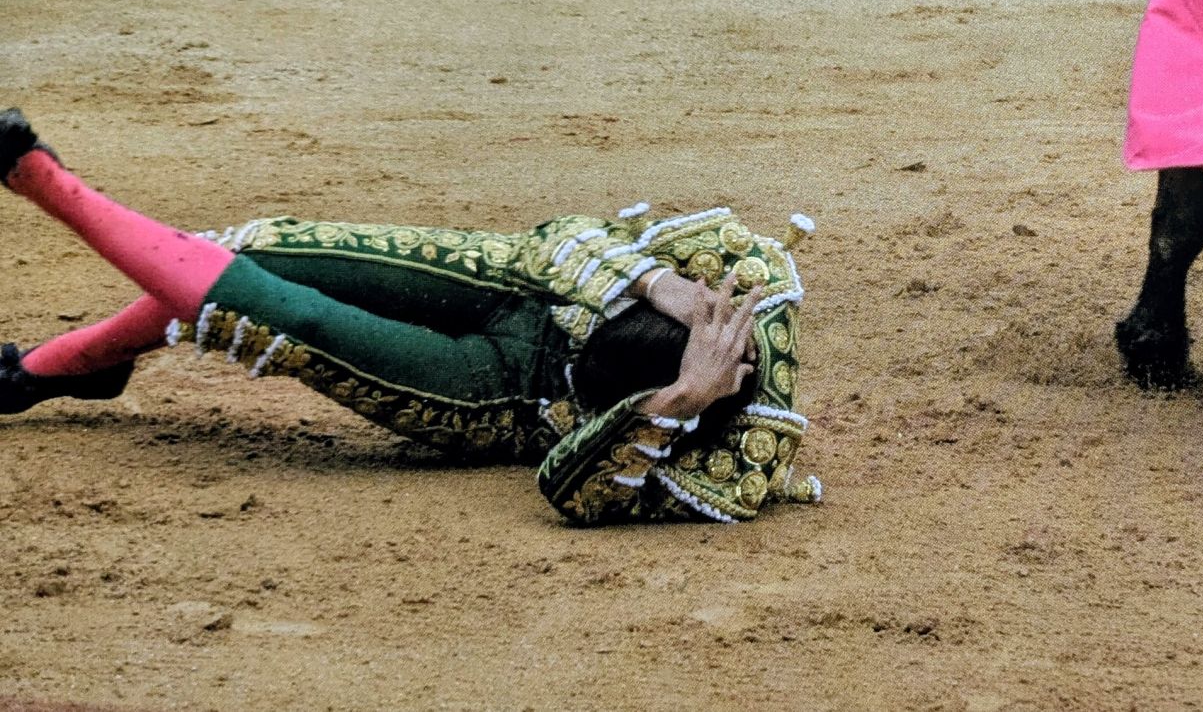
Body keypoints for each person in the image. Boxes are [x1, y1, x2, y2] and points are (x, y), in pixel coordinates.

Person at [0, 109, 820, 525]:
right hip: (524, 297)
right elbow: (562, 239)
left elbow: (566, 488)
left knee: (285, 318)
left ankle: (40, 179)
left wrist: (676, 401)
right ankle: (71, 366)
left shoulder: (732, 463)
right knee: (272, 246)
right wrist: (651, 283)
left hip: (506, 403)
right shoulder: (744, 271)